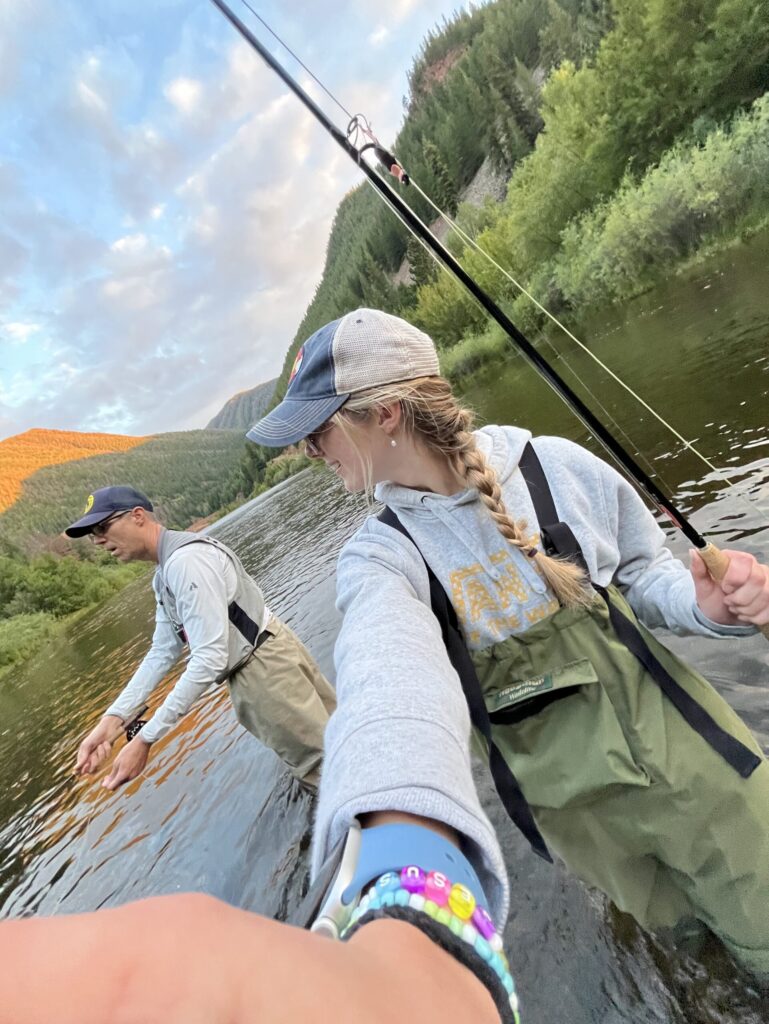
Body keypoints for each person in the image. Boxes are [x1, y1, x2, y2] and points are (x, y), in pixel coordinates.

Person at [245, 307, 769, 983]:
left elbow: (645, 577)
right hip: (583, 828)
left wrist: (706, 607)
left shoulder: (555, 468)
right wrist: (389, 853)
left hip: (695, 777)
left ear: (385, 414)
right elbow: (385, 684)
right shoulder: (379, 560)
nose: (309, 451)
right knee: (699, 968)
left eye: (317, 430)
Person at [66, 485, 336, 793]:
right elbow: (163, 651)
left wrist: (145, 738)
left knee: (324, 771)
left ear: (137, 516)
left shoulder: (185, 563)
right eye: (92, 534)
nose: (98, 540)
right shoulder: (166, 572)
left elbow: (209, 659)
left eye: (103, 527)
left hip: (264, 674)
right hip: (267, 656)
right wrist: (112, 721)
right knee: (339, 742)